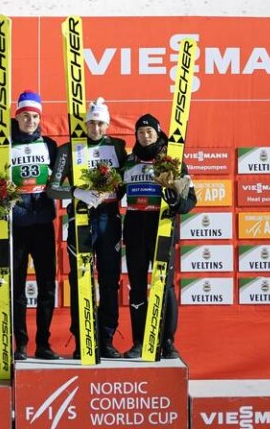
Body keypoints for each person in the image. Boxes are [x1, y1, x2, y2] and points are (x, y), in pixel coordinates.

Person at [0, 90, 59, 361]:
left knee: (47, 286)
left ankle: (43, 344)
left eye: (35, 117)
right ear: (17, 116)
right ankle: (20, 345)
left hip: (44, 224)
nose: (30, 121)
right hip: (16, 227)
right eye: (25, 116)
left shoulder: (50, 145)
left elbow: (63, 181)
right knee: (17, 286)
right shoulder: (2, 147)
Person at [47, 97, 127, 359]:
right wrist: (77, 192)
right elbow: (52, 189)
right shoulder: (68, 149)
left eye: (100, 123)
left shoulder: (117, 146)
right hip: (80, 220)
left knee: (109, 281)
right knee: (79, 280)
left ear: (107, 124)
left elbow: (125, 184)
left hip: (109, 221)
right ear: (85, 123)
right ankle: (84, 338)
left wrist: (110, 191)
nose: (96, 128)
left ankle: (106, 339)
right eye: (92, 123)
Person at [121, 113, 196, 360]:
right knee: (137, 288)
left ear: (158, 133)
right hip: (134, 230)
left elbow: (190, 200)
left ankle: (167, 342)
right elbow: (111, 191)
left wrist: (177, 202)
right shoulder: (129, 161)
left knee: (165, 286)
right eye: (140, 133)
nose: (144, 136)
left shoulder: (171, 160)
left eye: (149, 132)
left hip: (161, 229)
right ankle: (139, 342)